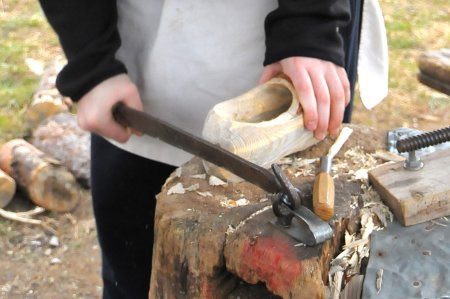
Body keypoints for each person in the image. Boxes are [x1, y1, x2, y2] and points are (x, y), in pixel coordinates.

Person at [38, 0, 363, 298]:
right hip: (142, 51)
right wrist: (91, 60)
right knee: (137, 278)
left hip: (304, 52)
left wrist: (312, 22)